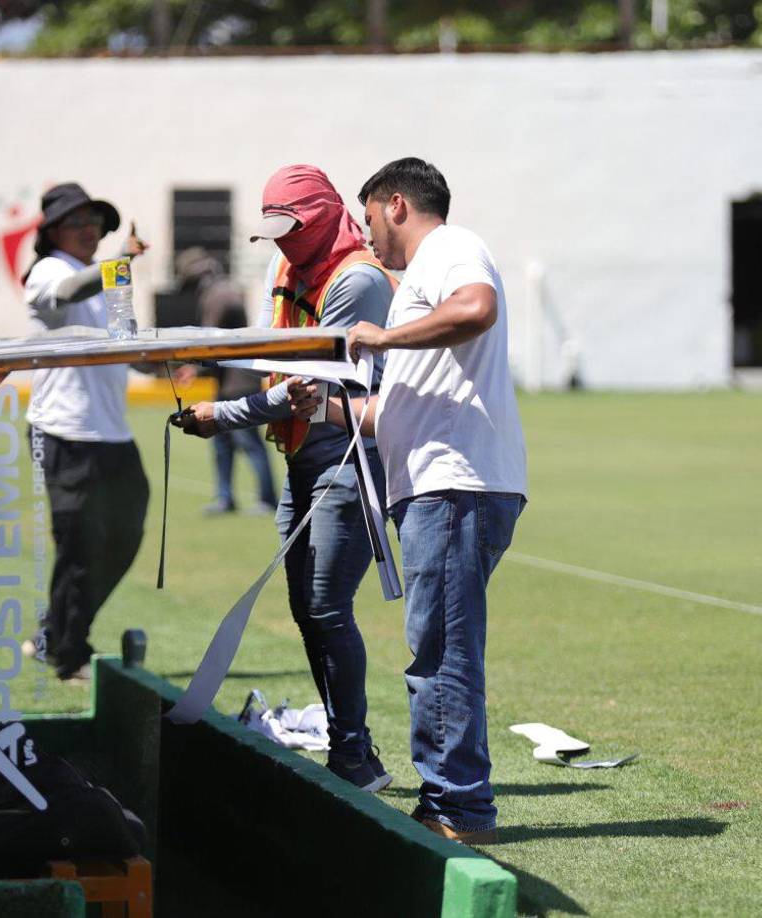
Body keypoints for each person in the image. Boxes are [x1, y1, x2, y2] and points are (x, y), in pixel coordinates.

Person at [288, 158, 528, 844]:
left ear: (397, 204)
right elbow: (390, 413)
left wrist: (382, 336)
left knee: (442, 651)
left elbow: (476, 309)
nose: (366, 237)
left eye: (368, 219)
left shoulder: (450, 247)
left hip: (455, 485)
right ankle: (447, 802)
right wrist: (328, 406)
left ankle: (459, 809)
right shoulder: (420, 278)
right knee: (435, 647)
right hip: (441, 484)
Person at [180, 164, 397, 791]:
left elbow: (303, 392)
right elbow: (276, 371)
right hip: (304, 461)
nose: (282, 242)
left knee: (327, 606)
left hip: (348, 461)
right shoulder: (291, 269)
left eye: (292, 228)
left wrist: (221, 416)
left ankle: (355, 754)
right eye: (274, 230)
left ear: (326, 215)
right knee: (307, 608)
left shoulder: (355, 281)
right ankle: (350, 747)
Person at [21, 183, 150, 681]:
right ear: (52, 230)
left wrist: (166, 367)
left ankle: (56, 631)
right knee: (78, 547)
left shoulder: (108, 276)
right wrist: (120, 262)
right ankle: (68, 653)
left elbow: (127, 343)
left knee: (125, 535)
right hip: (64, 430)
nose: (89, 230)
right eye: (78, 222)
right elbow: (71, 293)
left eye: (94, 222)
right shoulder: (49, 270)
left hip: (111, 433)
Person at [172, 247, 277, 515]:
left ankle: (266, 498)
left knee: (248, 443)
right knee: (222, 444)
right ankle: (225, 497)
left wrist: (194, 366)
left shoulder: (220, 293)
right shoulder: (220, 291)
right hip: (227, 381)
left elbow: (210, 338)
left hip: (239, 382)